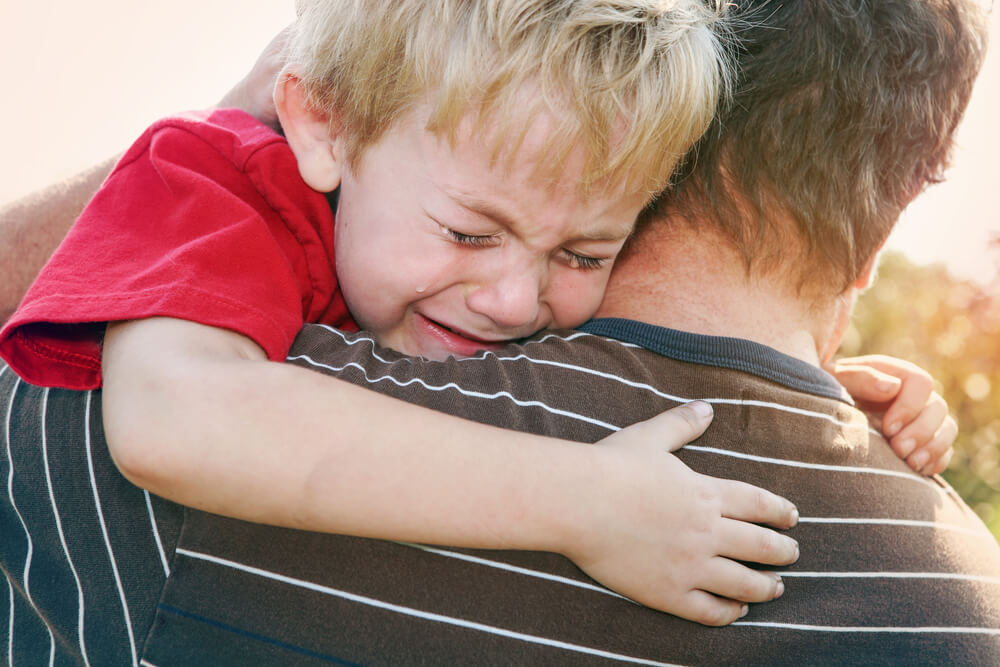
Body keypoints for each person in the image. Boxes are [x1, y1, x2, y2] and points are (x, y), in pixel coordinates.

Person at [3, 0, 994, 663]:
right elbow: (176, 420)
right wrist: (582, 503)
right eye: (471, 231)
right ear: (321, 125)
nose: (515, 302)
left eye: (583, 253)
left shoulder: (449, 250)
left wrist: (826, 382)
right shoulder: (210, 181)